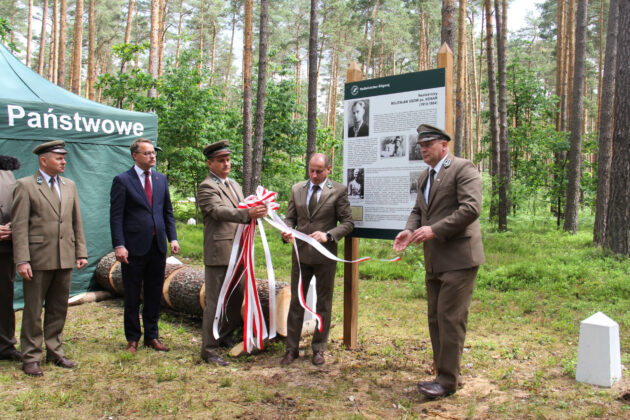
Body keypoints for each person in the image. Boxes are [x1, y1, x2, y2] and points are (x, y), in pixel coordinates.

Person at [393, 124, 485, 399]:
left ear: (444, 145)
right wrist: (410, 230)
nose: (423, 149)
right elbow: (418, 210)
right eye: (421, 145)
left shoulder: (463, 168)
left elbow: (471, 208)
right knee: (435, 318)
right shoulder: (424, 176)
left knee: (450, 319)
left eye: (428, 144)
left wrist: (435, 230)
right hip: (434, 259)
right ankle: (445, 372)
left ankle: (447, 381)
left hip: (459, 258)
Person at [11, 141, 88, 376]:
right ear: (43, 160)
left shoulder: (69, 185)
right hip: (37, 258)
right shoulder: (25, 186)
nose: (64, 161)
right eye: (58, 158)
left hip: (64, 256)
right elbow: (19, 226)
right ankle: (31, 356)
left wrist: (81, 252)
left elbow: (76, 221)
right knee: (34, 310)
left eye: (64, 158)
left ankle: (55, 351)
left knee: (58, 308)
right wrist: (22, 259)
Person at [197, 140, 267, 366]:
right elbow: (218, 211)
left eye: (227, 160)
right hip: (220, 252)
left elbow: (242, 206)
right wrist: (248, 213)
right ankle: (208, 350)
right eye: (220, 161)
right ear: (210, 163)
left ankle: (225, 335)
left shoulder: (234, 184)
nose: (226, 164)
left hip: (240, 252)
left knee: (237, 298)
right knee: (215, 301)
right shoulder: (207, 187)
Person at [280, 153, 354, 366]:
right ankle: (291, 349)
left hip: (325, 256)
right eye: (311, 170)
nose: (314, 175)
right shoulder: (296, 189)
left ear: (328, 169)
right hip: (301, 255)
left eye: (319, 171)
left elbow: (348, 223)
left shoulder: (338, 191)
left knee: (324, 302)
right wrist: (286, 231)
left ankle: (319, 348)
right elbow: (290, 218)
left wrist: (328, 235)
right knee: (297, 302)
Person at [110, 138, 179, 354]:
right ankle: (132, 338)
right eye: (147, 153)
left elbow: (167, 211)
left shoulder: (160, 179)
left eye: (154, 153)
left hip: (157, 246)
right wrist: (119, 245)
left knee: (153, 293)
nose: (153, 156)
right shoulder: (123, 180)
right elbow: (116, 216)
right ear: (135, 156)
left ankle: (152, 336)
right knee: (132, 295)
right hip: (133, 247)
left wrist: (172, 238)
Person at [0, 155, 22, 362]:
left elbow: (18, 208)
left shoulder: (7, 172)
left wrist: (13, 228)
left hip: (4, 250)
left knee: (4, 299)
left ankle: (5, 346)